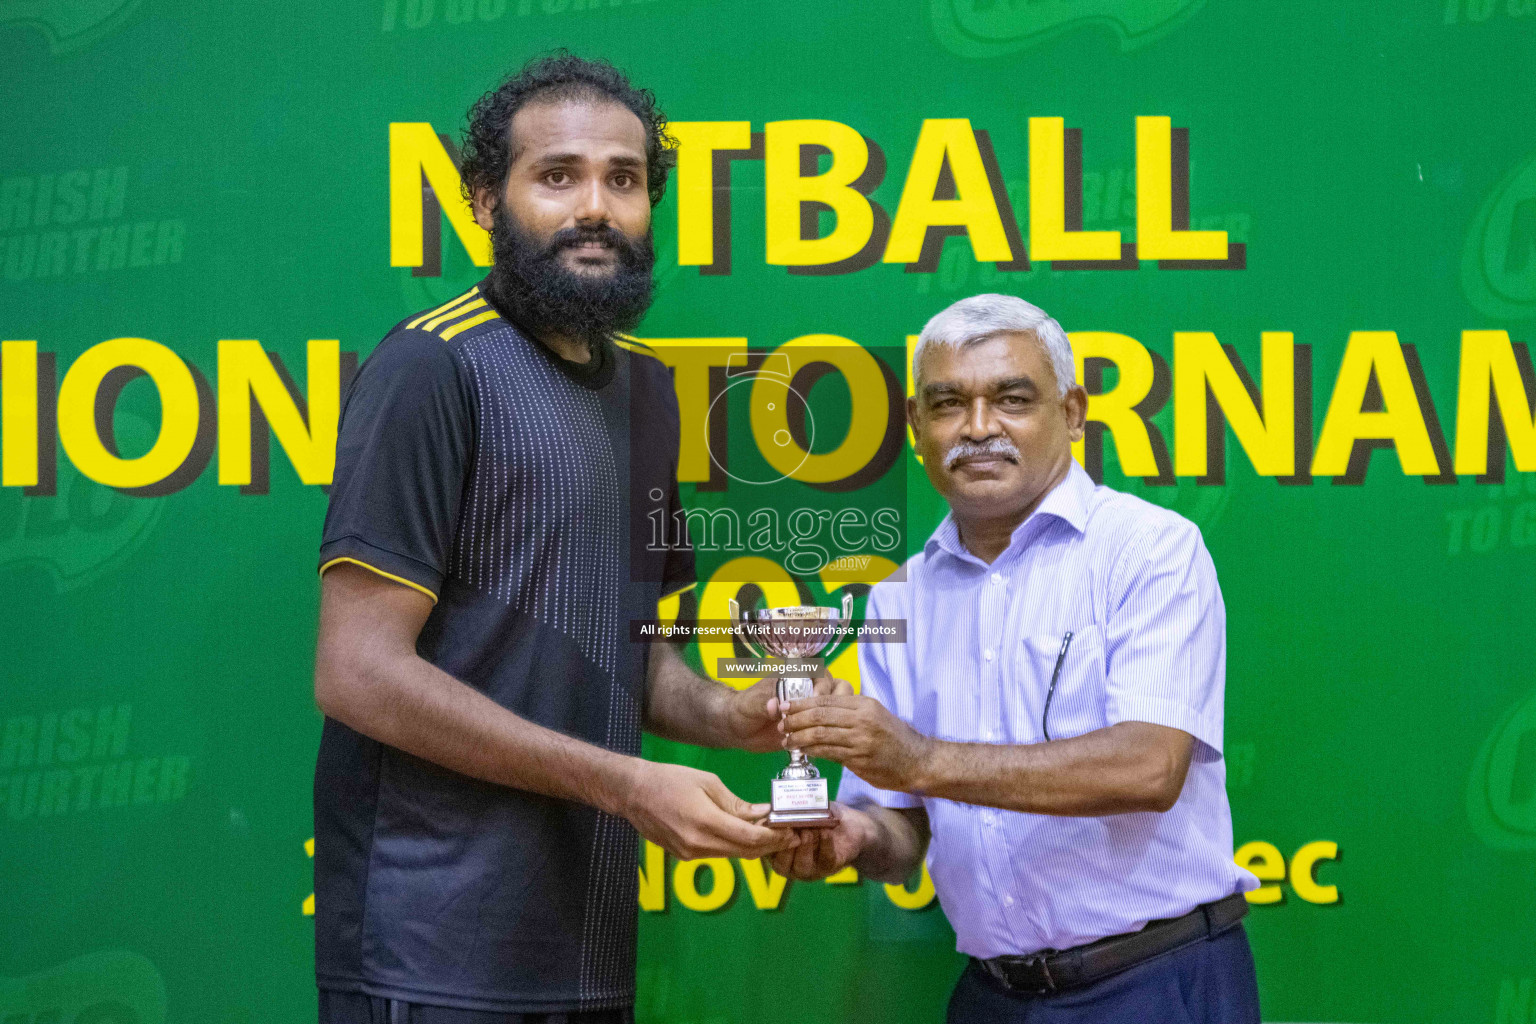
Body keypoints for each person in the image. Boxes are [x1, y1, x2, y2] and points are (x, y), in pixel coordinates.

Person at [311, 54, 804, 1024]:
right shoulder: (430, 367)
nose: (596, 206)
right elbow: (357, 670)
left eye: (624, 179)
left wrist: (730, 712)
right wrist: (624, 783)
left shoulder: (650, 394)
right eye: (558, 175)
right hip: (428, 956)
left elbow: (627, 656)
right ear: (487, 199)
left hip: (582, 954)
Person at [770, 294, 1262, 1023]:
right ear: (916, 426)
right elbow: (901, 828)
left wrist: (919, 759)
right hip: (993, 997)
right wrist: (851, 837)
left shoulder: (1151, 551)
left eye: (1011, 399)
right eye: (947, 404)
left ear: (1071, 412)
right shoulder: (900, 598)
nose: (977, 428)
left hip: (1154, 982)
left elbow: (1148, 767)